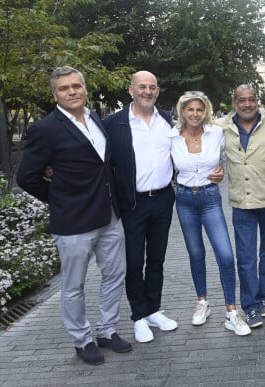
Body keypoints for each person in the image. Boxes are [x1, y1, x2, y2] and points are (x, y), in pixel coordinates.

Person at [17, 66, 131, 365]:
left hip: (109, 215)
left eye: (76, 86)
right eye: (64, 88)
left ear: (85, 89)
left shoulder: (94, 118)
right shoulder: (45, 129)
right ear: (55, 94)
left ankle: (107, 330)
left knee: (115, 274)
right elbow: (27, 177)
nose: (72, 92)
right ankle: (82, 339)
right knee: (73, 285)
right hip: (73, 222)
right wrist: (60, 199)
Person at [169, 91, 250, 336]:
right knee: (196, 253)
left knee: (225, 255)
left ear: (206, 111)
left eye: (199, 109)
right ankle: (202, 302)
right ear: (182, 111)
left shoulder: (216, 133)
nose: (195, 114)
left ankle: (232, 312)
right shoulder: (171, 137)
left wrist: (222, 172)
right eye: (190, 109)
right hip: (184, 199)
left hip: (210, 198)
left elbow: (227, 158)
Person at [104, 71, 178, 343]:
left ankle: (154, 310)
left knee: (156, 259)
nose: (147, 91)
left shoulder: (168, 120)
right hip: (132, 203)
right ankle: (138, 316)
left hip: (162, 199)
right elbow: (96, 158)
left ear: (158, 91)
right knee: (134, 262)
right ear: (131, 90)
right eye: (142, 87)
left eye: (152, 87)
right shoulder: (114, 124)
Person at [215, 85, 265, 328]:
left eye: (251, 100)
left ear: (257, 101)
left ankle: (264, 296)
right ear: (234, 102)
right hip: (242, 202)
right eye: (241, 100)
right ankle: (250, 306)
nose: (247, 104)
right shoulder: (219, 127)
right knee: (245, 257)